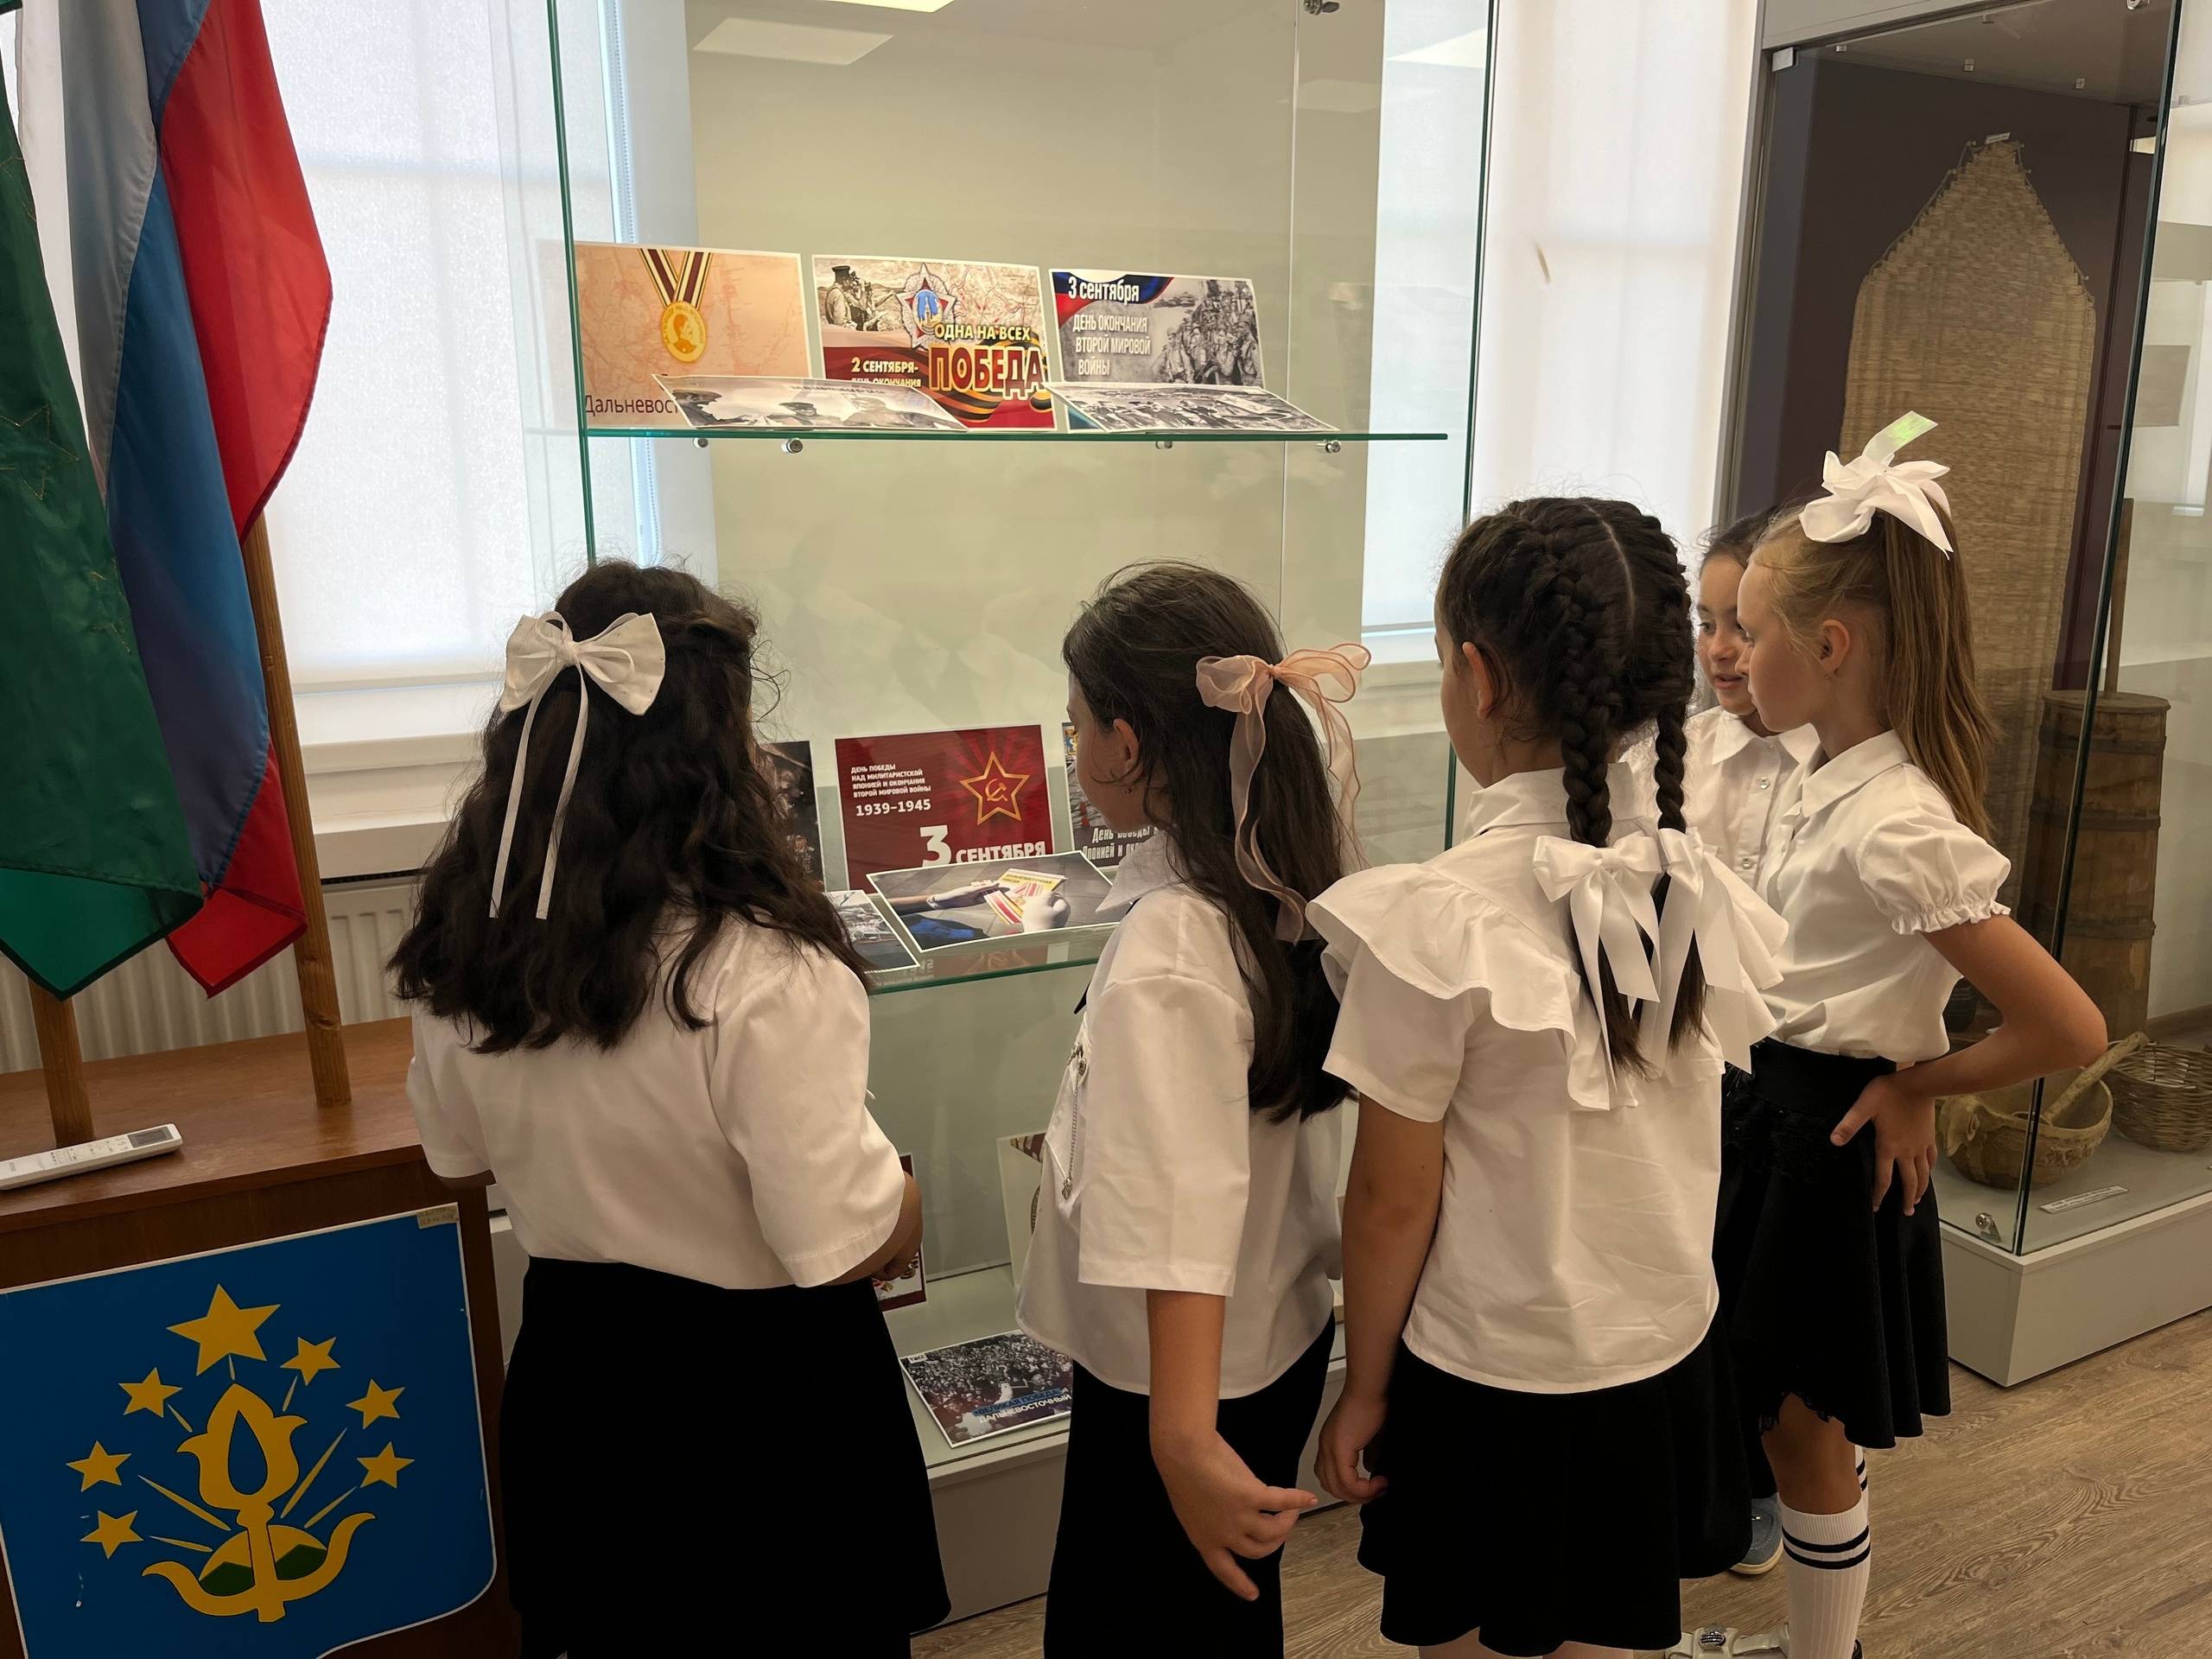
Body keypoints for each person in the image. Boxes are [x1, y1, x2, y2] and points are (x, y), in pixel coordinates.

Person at [390, 563, 946, 1658]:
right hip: (762, 1416)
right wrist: (906, 1203)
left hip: (580, 1386)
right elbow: (835, 1244)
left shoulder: (468, 951)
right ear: (713, 753)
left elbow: (457, 1158)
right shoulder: (762, 969)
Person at [1313, 498, 1787, 1659]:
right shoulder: (1693, 882)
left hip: (1491, 1371)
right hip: (1659, 1349)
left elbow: (1389, 1201)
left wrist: (1363, 1387)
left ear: (1477, 677)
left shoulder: (1439, 922)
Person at [1688, 418, 2105, 1659]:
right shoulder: (1818, 778)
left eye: (1749, 630)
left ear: (1827, 647)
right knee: (1785, 1412)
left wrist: (1920, 1084)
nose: (1730, 653)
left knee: (1805, 1430)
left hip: (1826, 1133)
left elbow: (2066, 1024)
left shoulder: (1893, 822)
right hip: (1770, 1115)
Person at [1017, 563, 1361, 1658]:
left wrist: (1177, 1434)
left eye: (1076, 726)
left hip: (1183, 1381)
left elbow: (1178, 1198)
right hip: (1272, 1334)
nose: (1074, 750)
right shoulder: (1285, 883)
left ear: (1126, 744)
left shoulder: (1171, 945)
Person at [1689, 508, 1823, 888]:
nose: (1718, 650)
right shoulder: (1671, 757)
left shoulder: (1839, 769)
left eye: (1743, 629)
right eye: (1707, 625)